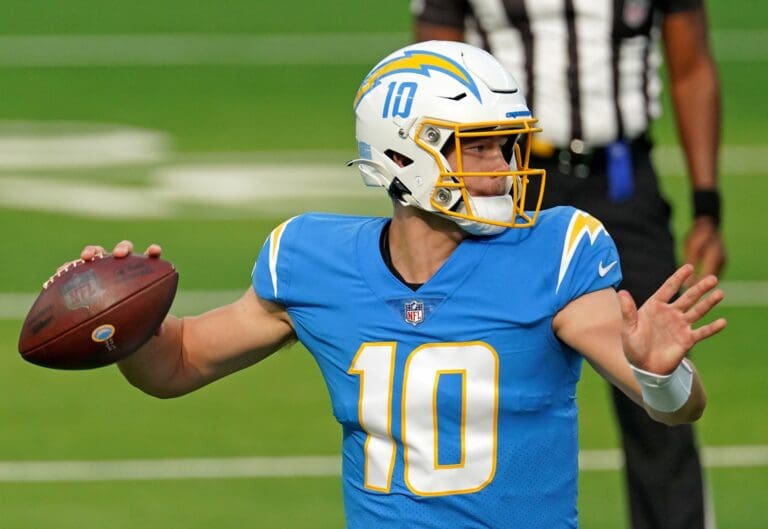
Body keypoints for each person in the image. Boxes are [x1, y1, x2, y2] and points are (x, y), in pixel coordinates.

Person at [75, 41, 726, 528]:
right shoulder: (310, 259)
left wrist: (660, 373)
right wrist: (123, 323)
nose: (502, 169)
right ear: (402, 153)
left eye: (505, 146)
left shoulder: (555, 251)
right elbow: (178, 362)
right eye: (478, 147)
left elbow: (671, 406)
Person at [412, 2, 726, 528]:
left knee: (655, 371)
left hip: (622, 178)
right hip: (506, 179)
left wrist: (707, 205)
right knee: (489, 372)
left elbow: (691, 65)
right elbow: (430, 71)